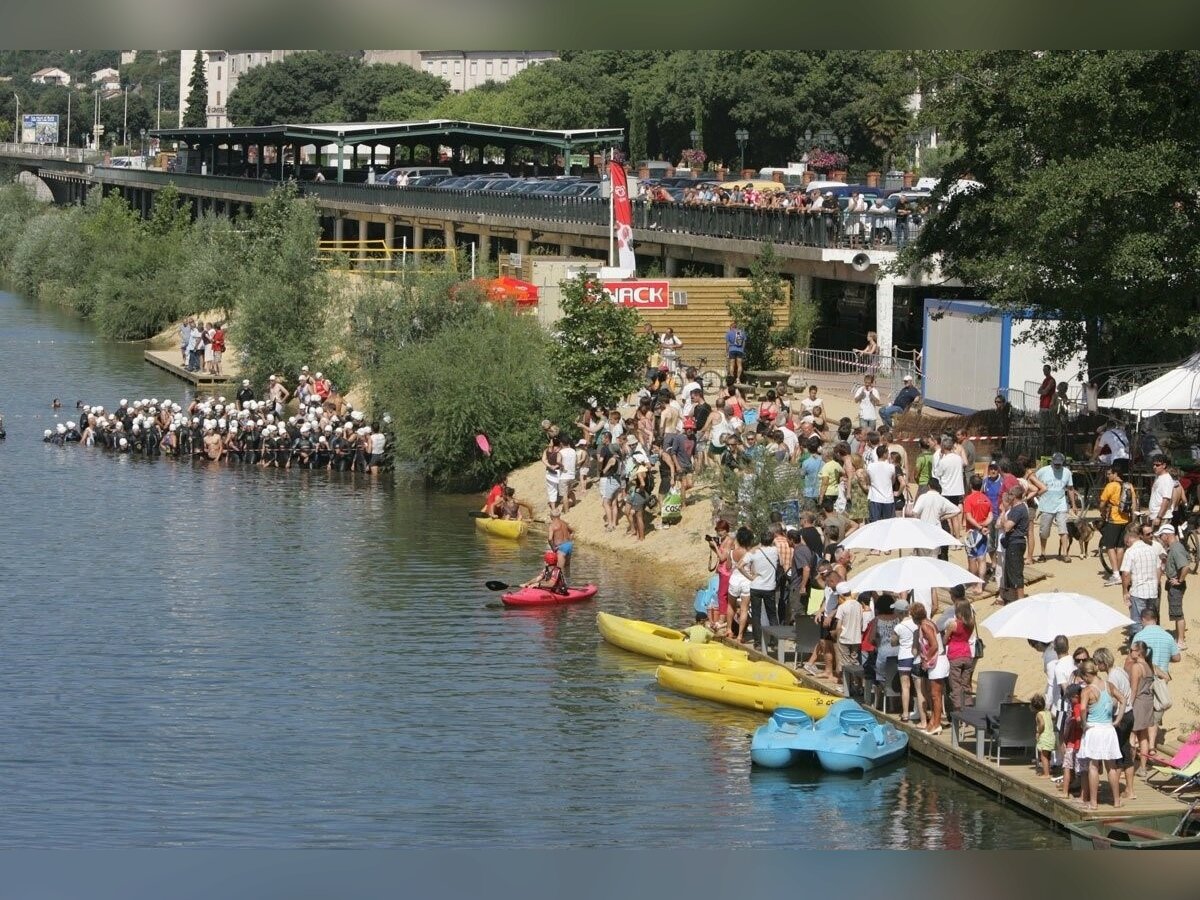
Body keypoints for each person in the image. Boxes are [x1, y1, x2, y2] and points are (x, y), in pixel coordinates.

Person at [1078, 659, 1125, 810]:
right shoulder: (1108, 685)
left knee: (1093, 766)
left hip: (1095, 729)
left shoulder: (1087, 690)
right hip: (1108, 729)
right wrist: (1117, 719)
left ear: (1086, 675)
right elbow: (1123, 699)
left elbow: (1083, 708)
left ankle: (1093, 802)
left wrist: (1084, 723)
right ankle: (1116, 801)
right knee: (1111, 765)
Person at [1095, 646, 1136, 803]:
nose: (1097, 667)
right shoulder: (1120, 670)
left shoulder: (1111, 678)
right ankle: (1130, 790)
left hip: (1121, 715)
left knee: (1116, 753)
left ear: (1103, 663)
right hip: (1130, 713)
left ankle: (1116, 792)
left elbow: (1113, 701)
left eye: (1098, 663)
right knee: (1125, 750)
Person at [1034, 452, 1080, 562]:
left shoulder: (1067, 472)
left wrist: (1073, 505)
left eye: (1059, 464)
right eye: (1056, 464)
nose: (1058, 466)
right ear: (1052, 462)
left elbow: (1070, 489)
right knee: (1044, 531)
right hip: (1046, 504)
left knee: (1063, 529)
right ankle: (1043, 553)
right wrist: (1036, 493)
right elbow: (1033, 479)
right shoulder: (1043, 471)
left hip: (1061, 503)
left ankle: (1065, 553)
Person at [913, 601, 948, 735]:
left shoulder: (925, 627)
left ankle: (936, 724)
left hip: (937, 661)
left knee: (935, 695)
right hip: (938, 660)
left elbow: (934, 645)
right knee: (934, 695)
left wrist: (926, 659)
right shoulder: (928, 623)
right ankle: (933, 721)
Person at [1121, 524, 1162, 636]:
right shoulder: (1152, 550)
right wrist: (1156, 584)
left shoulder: (1130, 552)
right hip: (1152, 592)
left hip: (1138, 591)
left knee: (1137, 622)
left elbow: (1125, 573)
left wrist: (1125, 591)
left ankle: (1140, 644)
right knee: (1151, 620)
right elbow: (1159, 570)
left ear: (1129, 541)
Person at [1098, 467, 1134, 586]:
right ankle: (1118, 572)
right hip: (1126, 520)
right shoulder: (1129, 485)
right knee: (1120, 547)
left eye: (1109, 474)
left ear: (1115, 473)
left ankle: (1115, 574)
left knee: (1109, 546)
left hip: (1113, 519)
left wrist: (1102, 512)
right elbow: (1134, 504)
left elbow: (1102, 502)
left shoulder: (1111, 486)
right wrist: (1132, 519)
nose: (1108, 476)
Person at [1127, 640, 1157, 776]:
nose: (1130, 652)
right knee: (1143, 735)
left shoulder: (1136, 667)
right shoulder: (1148, 666)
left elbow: (1133, 690)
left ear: (1139, 652)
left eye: (1132, 650)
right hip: (1148, 702)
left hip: (1138, 702)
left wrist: (1128, 706)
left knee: (1132, 735)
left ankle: (1128, 767)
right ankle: (1143, 768)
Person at [1159, 523, 1190, 650]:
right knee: (1177, 612)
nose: (1161, 539)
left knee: (1178, 613)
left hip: (1176, 586)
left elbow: (1185, 566)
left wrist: (1180, 580)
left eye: (1161, 536)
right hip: (1174, 584)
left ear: (1166, 535)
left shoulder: (1176, 548)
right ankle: (1179, 637)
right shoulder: (1174, 547)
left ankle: (1181, 641)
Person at [944, 600, 978, 713]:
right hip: (967, 654)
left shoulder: (953, 624)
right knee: (966, 683)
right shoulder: (971, 622)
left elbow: (945, 640)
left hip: (955, 655)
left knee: (955, 684)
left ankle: (958, 710)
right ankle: (968, 707)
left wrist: (948, 639)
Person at [962, 474, 993, 593]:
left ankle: (974, 584)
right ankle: (980, 585)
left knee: (972, 559)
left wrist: (979, 527)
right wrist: (984, 525)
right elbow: (990, 516)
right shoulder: (986, 498)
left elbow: (969, 517)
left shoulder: (968, 499)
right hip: (983, 531)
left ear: (970, 485)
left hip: (973, 532)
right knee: (982, 558)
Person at [998, 485, 1029, 604]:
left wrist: (1003, 512)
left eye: (1010, 494)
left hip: (1015, 543)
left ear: (1015, 496)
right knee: (1010, 572)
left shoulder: (1018, 509)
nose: (1008, 496)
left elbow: (1006, 526)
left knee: (1015, 572)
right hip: (1013, 543)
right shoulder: (1017, 508)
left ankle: (1020, 601)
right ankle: (1013, 599)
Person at [1146, 454, 1176, 532]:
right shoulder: (1158, 477)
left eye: (1157, 465)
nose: (1154, 467)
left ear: (1164, 465)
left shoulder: (1166, 479)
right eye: (1153, 465)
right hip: (1154, 515)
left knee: (1159, 542)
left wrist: (1159, 517)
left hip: (1162, 517)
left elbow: (1166, 500)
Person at [548, 509, 575, 582]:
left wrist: (553, 548)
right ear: (559, 515)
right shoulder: (564, 523)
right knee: (567, 566)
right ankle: (568, 583)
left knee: (559, 569)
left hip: (561, 547)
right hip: (569, 545)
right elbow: (572, 531)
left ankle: (560, 585)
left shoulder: (552, 525)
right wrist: (570, 539)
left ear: (551, 516)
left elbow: (550, 539)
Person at [1033, 694, 1055, 779]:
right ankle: (1048, 770)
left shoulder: (1039, 714)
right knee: (1047, 755)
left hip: (1044, 736)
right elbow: (1054, 717)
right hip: (1051, 736)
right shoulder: (1048, 712)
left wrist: (1039, 732)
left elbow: (1042, 724)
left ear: (1033, 707)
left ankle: (1046, 774)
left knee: (1043, 756)